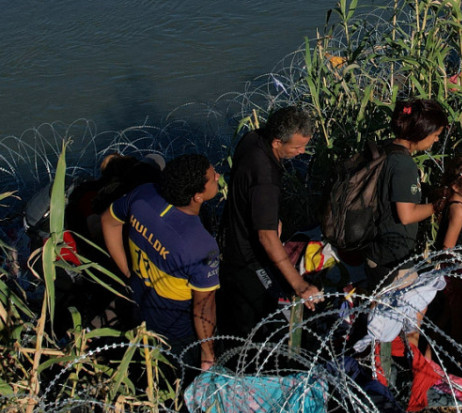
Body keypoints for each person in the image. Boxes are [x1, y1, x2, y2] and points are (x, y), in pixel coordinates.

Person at [102, 154, 221, 369]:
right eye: (213, 177)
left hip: (141, 305)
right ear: (197, 196)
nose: (218, 177)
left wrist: (128, 273)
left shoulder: (143, 195)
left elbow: (108, 221)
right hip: (177, 329)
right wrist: (208, 353)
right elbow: (203, 309)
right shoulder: (202, 246)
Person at [218, 105, 320, 339]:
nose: (302, 152)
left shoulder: (252, 139)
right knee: (256, 320)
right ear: (277, 142)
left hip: (232, 237)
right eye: (297, 147)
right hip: (248, 258)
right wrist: (299, 285)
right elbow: (266, 237)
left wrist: (270, 217)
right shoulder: (265, 180)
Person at [364, 98, 449, 285]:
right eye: (435, 135)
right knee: (407, 309)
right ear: (422, 132)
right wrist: (437, 206)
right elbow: (406, 215)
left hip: (376, 248)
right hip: (392, 257)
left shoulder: (386, 148)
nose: (436, 140)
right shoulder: (404, 165)